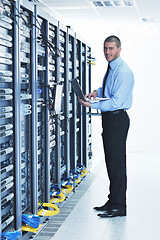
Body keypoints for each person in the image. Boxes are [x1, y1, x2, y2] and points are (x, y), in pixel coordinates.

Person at [78, 35, 134, 218]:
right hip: (110, 119)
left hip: (117, 119)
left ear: (119, 49)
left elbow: (116, 101)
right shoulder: (112, 68)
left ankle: (119, 206)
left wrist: (91, 105)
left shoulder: (123, 72)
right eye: (105, 48)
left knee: (117, 164)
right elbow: (109, 91)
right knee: (112, 162)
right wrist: (96, 93)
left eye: (111, 49)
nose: (107, 52)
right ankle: (113, 201)